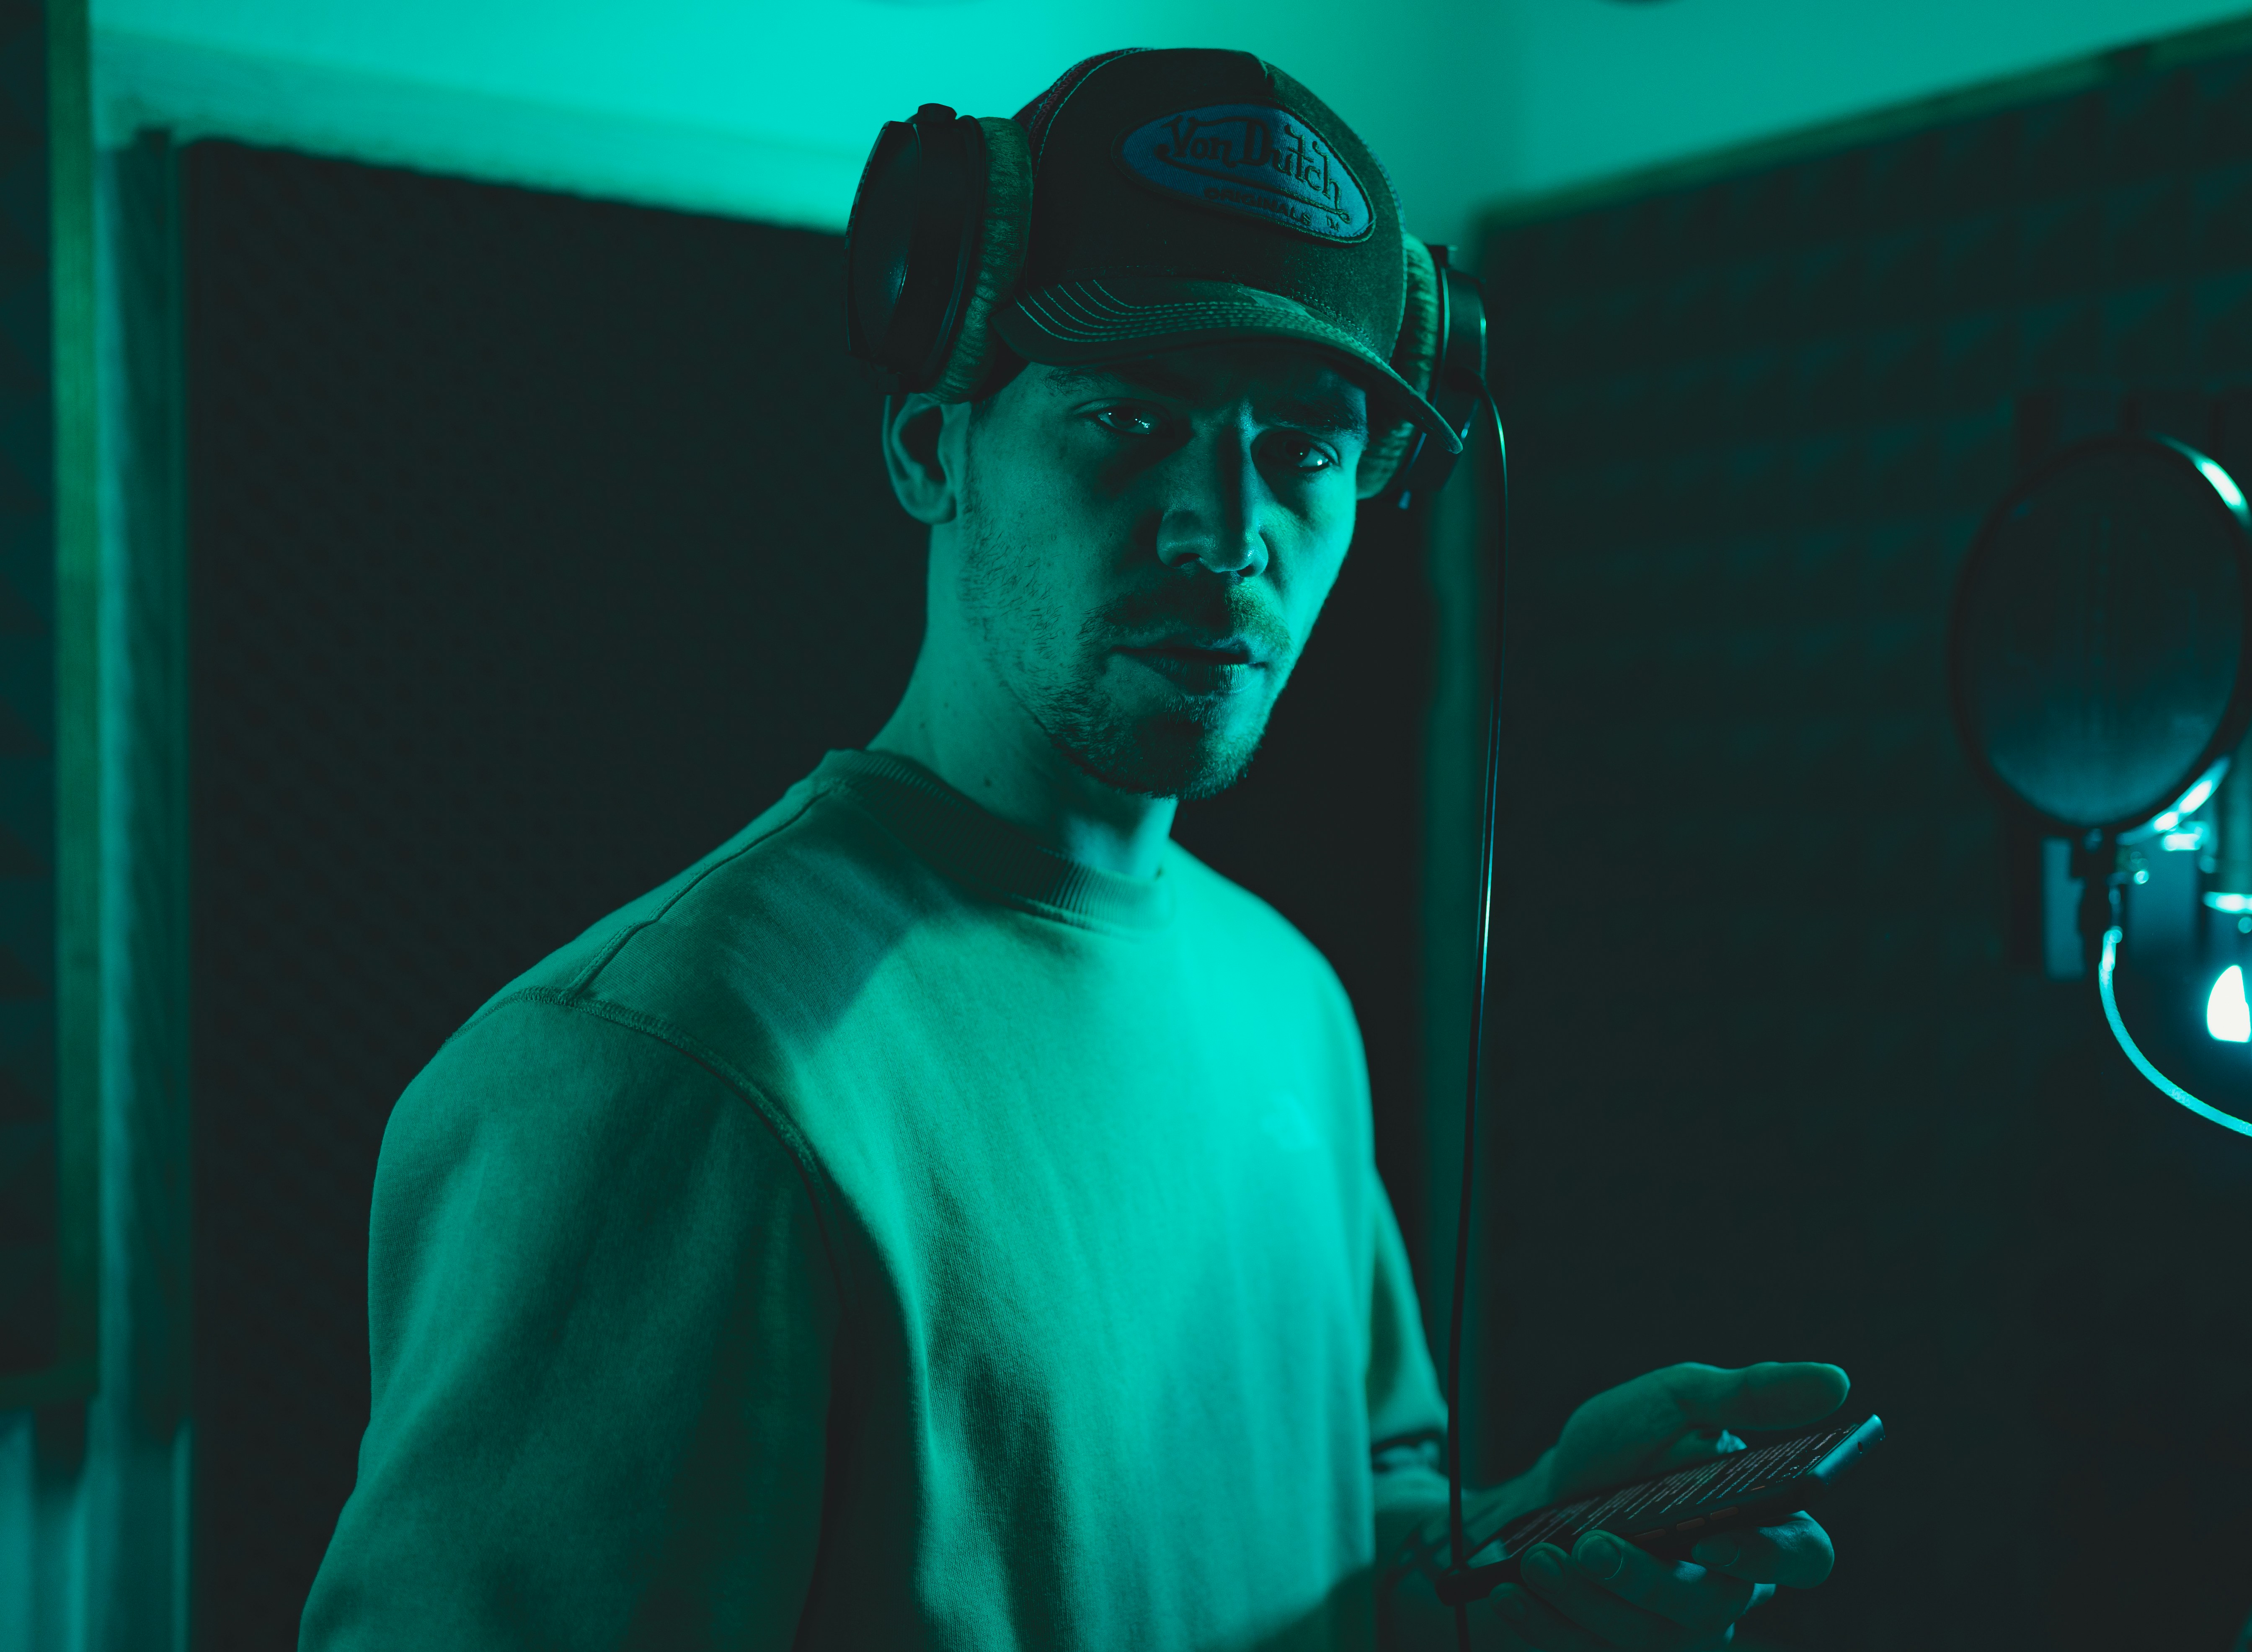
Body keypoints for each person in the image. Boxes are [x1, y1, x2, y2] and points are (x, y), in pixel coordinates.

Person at [299, 47, 1847, 1651]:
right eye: (1129, 414)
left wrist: (1519, 1534)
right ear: (928, 448)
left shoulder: (1289, 1003)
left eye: (1306, 446)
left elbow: (1328, 1533)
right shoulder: (659, 1078)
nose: (1227, 525)